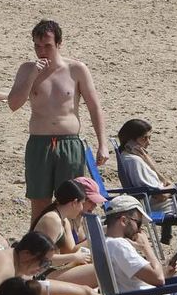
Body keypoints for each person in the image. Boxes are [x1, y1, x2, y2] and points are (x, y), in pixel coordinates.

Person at [8, 20, 107, 219]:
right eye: (37, 46)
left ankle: (70, 239)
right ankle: (40, 238)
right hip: (39, 143)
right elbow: (13, 104)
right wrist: (33, 76)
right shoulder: (27, 69)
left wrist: (102, 144)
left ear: (59, 44)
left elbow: (94, 106)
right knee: (40, 203)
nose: (42, 51)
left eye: (47, 46)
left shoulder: (76, 69)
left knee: (72, 203)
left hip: (69, 142)